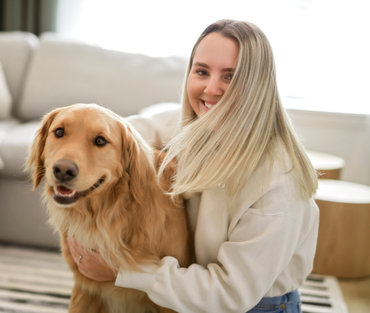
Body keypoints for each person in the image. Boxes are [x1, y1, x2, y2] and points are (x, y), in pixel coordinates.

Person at [68, 19, 319, 313]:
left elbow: (229, 294)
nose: (211, 89)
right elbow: (119, 136)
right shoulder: (184, 126)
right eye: (202, 71)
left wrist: (123, 271)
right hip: (186, 292)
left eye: (230, 76)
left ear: (258, 87)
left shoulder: (278, 179)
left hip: (255, 306)